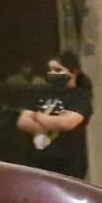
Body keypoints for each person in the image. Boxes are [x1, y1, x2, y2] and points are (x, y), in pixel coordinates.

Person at [17, 51, 93, 180]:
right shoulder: (41, 93)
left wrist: (38, 117)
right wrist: (54, 123)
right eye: (50, 70)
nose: (53, 74)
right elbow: (23, 122)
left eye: (58, 70)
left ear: (73, 72)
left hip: (67, 163)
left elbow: (67, 123)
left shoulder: (79, 96)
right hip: (37, 161)